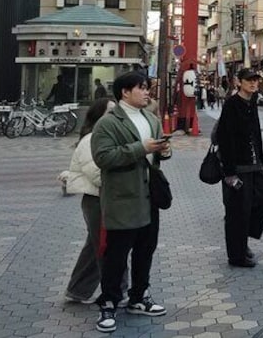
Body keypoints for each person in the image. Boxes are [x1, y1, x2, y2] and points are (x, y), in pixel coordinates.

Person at [91, 71, 171, 333]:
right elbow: (103, 157)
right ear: (125, 92)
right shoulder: (108, 123)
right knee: (116, 254)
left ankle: (139, 296)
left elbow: (155, 154)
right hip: (123, 199)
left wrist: (164, 151)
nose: (147, 92)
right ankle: (109, 302)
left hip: (150, 198)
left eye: (147, 88)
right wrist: (143, 148)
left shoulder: (151, 118)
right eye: (141, 88)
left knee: (146, 250)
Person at [213, 68, 263, 268]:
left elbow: (256, 135)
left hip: (255, 165)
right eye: (249, 80)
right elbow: (225, 138)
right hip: (238, 167)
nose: (254, 83)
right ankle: (236, 255)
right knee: (238, 211)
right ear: (238, 82)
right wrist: (229, 173)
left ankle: (243, 239)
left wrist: (262, 163)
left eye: (256, 80)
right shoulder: (231, 105)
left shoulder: (252, 103)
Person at [64, 97, 122, 304]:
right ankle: (118, 291)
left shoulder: (104, 136)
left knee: (95, 246)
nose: (115, 117)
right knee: (108, 247)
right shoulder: (91, 140)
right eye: (110, 112)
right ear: (98, 116)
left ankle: (78, 289)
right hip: (98, 200)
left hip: (103, 199)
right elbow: (99, 175)